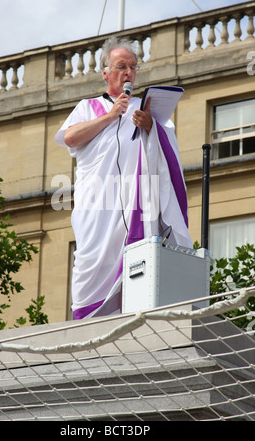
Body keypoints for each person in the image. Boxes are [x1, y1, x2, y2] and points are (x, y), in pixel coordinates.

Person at [55, 36, 192, 319]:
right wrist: (110, 116)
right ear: (105, 72)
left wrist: (151, 125)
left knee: (140, 270)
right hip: (97, 206)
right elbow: (69, 137)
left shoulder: (147, 107)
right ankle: (87, 326)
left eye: (132, 67)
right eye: (120, 66)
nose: (128, 72)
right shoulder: (87, 107)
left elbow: (169, 149)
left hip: (137, 204)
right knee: (89, 261)